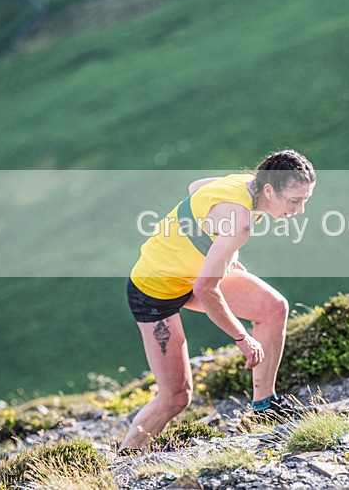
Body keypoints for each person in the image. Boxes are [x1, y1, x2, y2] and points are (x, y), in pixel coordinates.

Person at [120, 149, 316, 450]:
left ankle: (264, 408)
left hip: (191, 274)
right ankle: (125, 458)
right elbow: (205, 290)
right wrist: (242, 338)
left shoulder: (245, 184)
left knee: (273, 308)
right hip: (154, 291)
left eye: (305, 199)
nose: (300, 210)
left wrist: (221, 255)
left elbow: (195, 189)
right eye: (294, 200)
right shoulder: (240, 222)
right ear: (268, 189)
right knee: (176, 397)